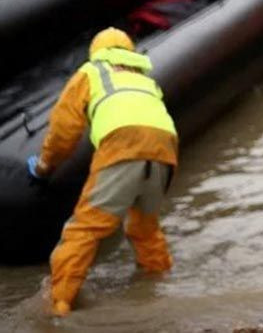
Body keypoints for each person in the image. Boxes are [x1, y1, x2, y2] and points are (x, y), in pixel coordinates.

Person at [27, 28, 178, 317]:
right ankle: (158, 288)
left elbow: (64, 129)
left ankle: (59, 305)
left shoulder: (91, 72)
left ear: (96, 51)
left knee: (84, 229)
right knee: (145, 228)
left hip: (123, 145)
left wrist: (46, 165)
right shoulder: (145, 80)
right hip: (166, 150)